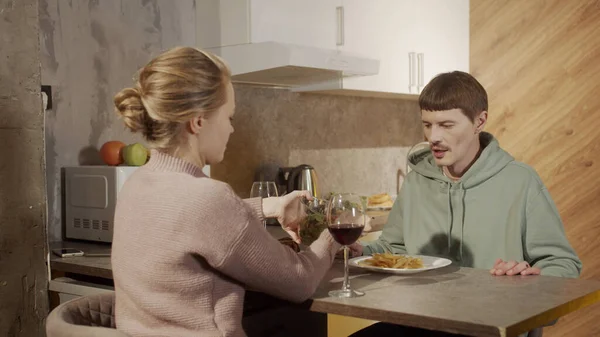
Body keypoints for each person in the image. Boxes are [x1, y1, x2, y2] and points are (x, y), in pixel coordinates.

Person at [110, 46, 341, 337]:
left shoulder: (135, 184)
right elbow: (300, 281)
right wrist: (334, 234)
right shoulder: (208, 199)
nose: (231, 129)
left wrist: (268, 206)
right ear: (197, 122)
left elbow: (185, 221)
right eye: (228, 117)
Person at [349, 71, 582, 337]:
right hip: (420, 321)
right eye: (427, 124)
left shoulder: (521, 182)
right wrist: (358, 250)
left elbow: (564, 264)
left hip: (490, 329)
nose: (433, 136)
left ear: (479, 122)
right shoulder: (416, 183)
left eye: (446, 125)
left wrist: (530, 275)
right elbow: (394, 248)